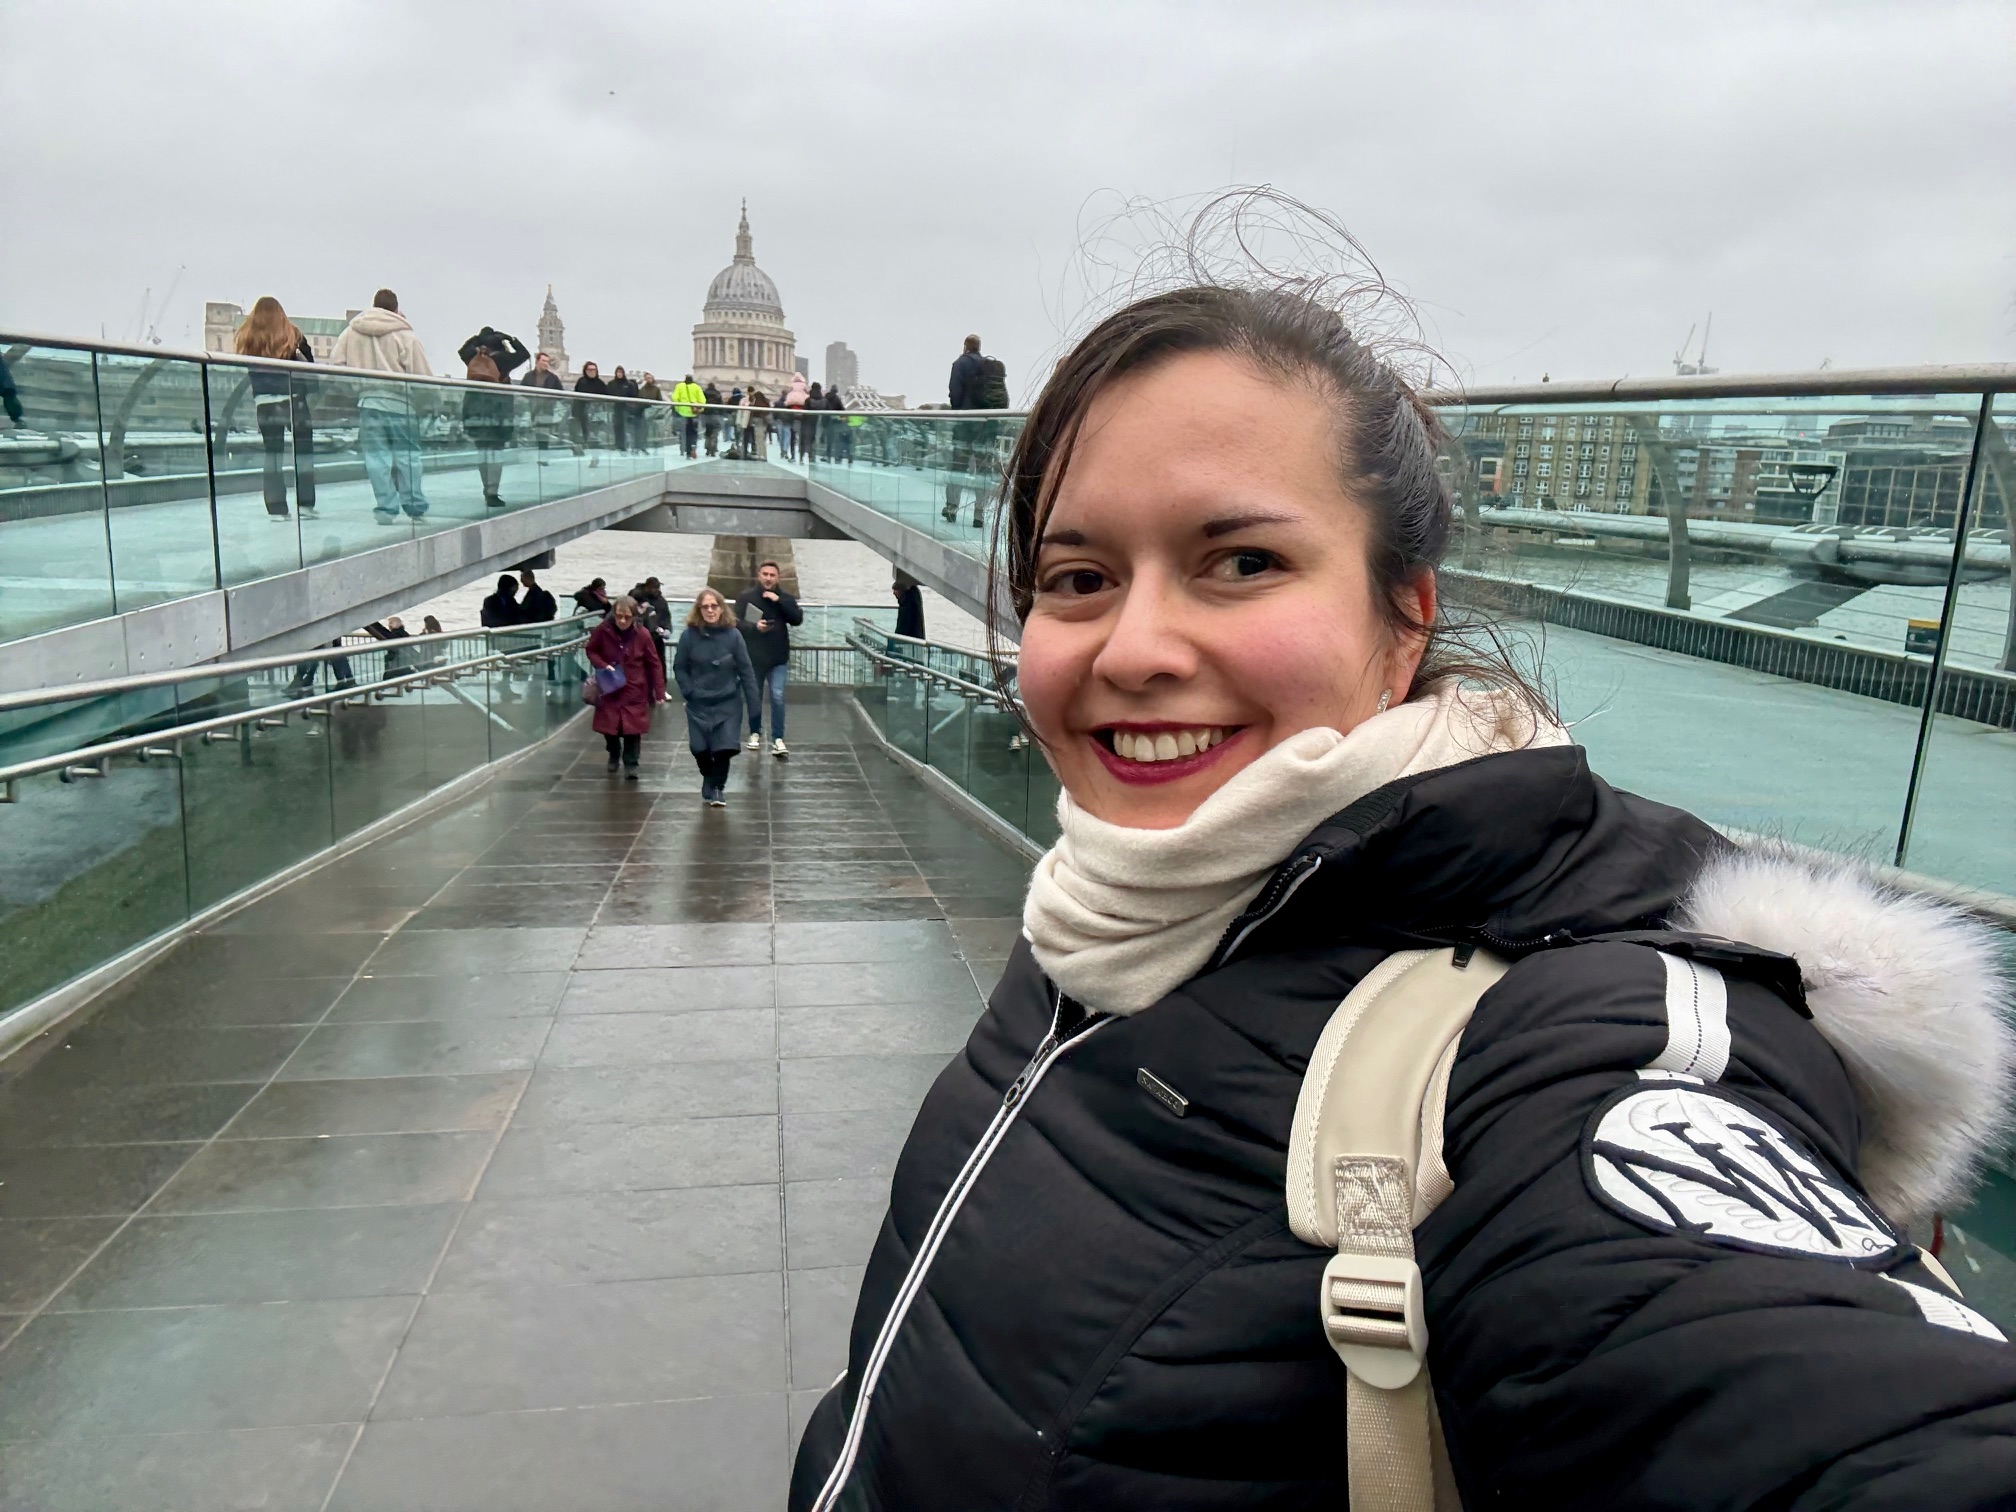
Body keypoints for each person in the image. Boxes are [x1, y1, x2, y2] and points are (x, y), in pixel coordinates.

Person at [789, 281, 2016, 1512]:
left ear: (1404, 620)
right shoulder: (1106, 898)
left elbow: (1792, 1398)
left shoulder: (1562, 1034)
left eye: (1243, 562)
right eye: (1078, 577)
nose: (1133, 648)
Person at [330, 289, 431, 524]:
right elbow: (422, 375)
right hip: (401, 405)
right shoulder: (406, 335)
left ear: (374, 306)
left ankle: (386, 508)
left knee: (376, 459)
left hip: (368, 402)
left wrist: (353, 388)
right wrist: (424, 401)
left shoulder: (351, 332)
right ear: (396, 309)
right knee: (408, 458)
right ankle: (414, 506)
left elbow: (336, 364)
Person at [232, 296, 318, 520]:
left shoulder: (248, 338)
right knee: (303, 453)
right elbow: (310, 365)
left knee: (272, 455)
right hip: (293, 400)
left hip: (265, 403)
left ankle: (276, 508)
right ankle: (305, 505)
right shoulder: (293, 335)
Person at [674, 587, 757, 807]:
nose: (710, 610)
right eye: (705, 607)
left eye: (714, 606)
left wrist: (754, 706)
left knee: (724, 748)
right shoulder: (688, 637)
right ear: (699, 610)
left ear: (721, 608)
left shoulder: (734, 635)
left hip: (728, 701)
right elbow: (680, 667)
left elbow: (746, 670)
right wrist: (689, 690)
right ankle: (708, 777)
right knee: (699, 748)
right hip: (698, 702)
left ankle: (718, 788)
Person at [585, 594, 666, 780]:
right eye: (619, 616)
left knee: (633, 730)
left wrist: (659, 691)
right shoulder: (603, 630)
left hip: (634, 687)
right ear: (614, 614)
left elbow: (654, 663)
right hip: (609, 686)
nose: (622, 621)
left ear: (634, 617)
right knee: (609, 728)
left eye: (627, 617)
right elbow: (591, 650)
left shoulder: (643, 634)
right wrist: (603, 665)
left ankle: (631, 763)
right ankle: (614, 754)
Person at [733, 560, 802, 756]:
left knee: (777, 696)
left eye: (772, 575)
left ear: (778, 578)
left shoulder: (785, 598)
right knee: (754, 697)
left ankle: (778, 738)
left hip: (778, 658)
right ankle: (755, 732)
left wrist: (778, 601)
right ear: (758, 575)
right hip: (754, 657)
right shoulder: (746, 597)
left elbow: (797, 619)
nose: (768, 578)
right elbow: (735, 622)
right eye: (765, 574)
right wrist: (754, 627)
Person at [943, 333, 1008, 525]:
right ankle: (979, 514)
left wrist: (959, 412)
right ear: (979, 347)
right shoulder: (990, 367)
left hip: (966, 424)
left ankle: (951, 508)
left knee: (958, 467)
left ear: (965, 347)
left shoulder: (960, 364)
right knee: (983, 471)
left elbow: (955, 393)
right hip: (988, 425)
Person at [573, 361, 607, 460]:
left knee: (595, 436)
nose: (592, 371)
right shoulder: (581, 382)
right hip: (582, 415)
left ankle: (595, 457)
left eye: (594, 370)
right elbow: (576, 398)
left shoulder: (600, 383)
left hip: (597, 416)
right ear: (585, 371)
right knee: (584, 435)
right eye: (590, 369)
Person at [672, 373, 707, 459]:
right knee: (694, 432)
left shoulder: (679, 386)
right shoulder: (697, 387)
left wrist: (678, 409)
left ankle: (686, 451)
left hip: (682, 413)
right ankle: (693, 445)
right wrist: (700, 410)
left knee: (684, 433)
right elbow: (702, 400)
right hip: (694, 413)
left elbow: (675, 398)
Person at [607, 365, 641, 452]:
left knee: (626, 428)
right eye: (618, 372)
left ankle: (627, 446)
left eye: (621, 372)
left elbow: (634, 396)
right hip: (615, 409)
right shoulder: (611, 384)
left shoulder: (629, 384)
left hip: (627, 409)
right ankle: (618, 445)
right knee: (617, 427)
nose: (619, 374)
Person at [891, 569, 924, 643]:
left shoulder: (906, 606)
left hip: (908, 640)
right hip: (916, 639)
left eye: (895, 590)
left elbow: (903, 625)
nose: (894, 593)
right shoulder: (913, 599)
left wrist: (896, 639)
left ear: (900, 591)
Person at [701, 380, 724, 456]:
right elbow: (721, 405)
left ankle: (707, 449)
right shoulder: (717, 394)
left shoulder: (704, 393)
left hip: (705, 415)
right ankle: (713, 449)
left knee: (707, 432)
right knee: (715, 432)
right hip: (715, 415)